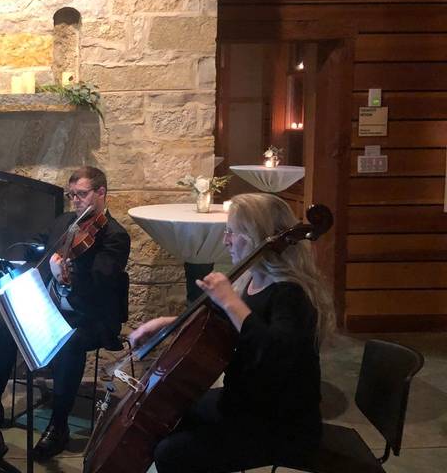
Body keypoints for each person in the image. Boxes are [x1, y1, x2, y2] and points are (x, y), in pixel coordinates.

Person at [128, 193, 335, 473]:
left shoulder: (290, 294)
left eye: (232, 233)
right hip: (244, 404)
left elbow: (274, 352)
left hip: (279, 425)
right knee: (170, 416)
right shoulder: (253, 279)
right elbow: (226, 324)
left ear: (258, 238)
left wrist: (230, 300)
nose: (226, 241)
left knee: (170, 453)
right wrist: (169, 322)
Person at [0, 166, 131, 461]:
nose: (76, 201)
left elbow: (101, 283)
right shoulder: (65, 222)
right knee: (4, 323)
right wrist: (22, 256)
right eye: (72, 195)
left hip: (90, 315)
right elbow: (40, 247)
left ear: (101, 193)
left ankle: (59, 427)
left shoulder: (114, 236)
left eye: (82, 195)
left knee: (69, 343)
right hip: (54, 307)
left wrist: (67, 276)